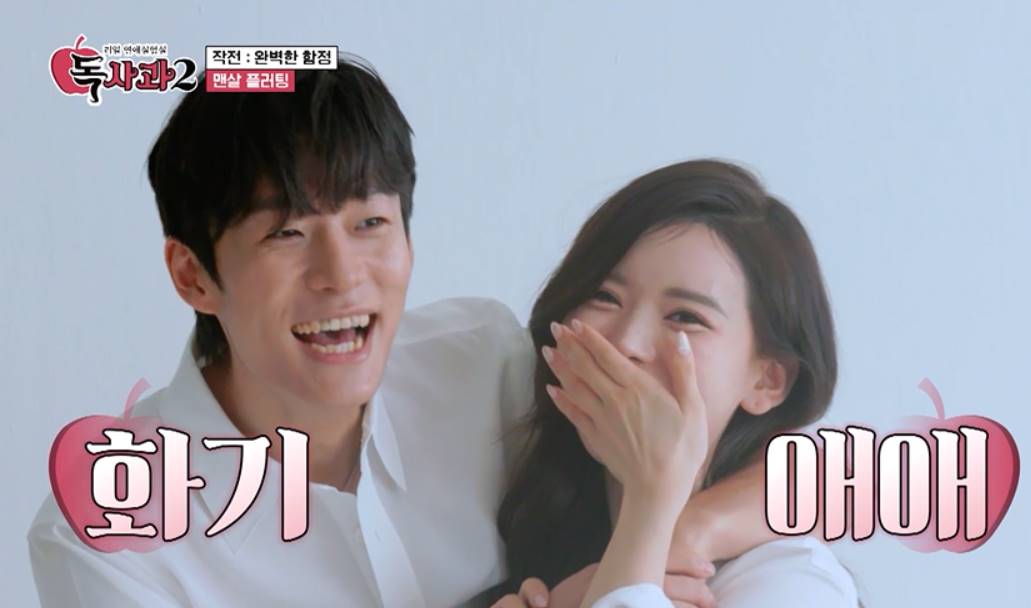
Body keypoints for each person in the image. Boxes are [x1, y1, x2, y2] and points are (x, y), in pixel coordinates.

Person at [28, 58, 767, 607]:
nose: (341, 275)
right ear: (193, 275)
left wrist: (683, 531)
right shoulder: (110, 532)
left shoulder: (485, 361)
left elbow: (790, 468)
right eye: (286, 233)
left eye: (371, 223)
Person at [492, 160, 859, 607]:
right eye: (604, 296)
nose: (626, 343)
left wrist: (659, 508)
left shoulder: (793, 584)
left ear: (768, 380)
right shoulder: (502, 457)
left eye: (686, 317)